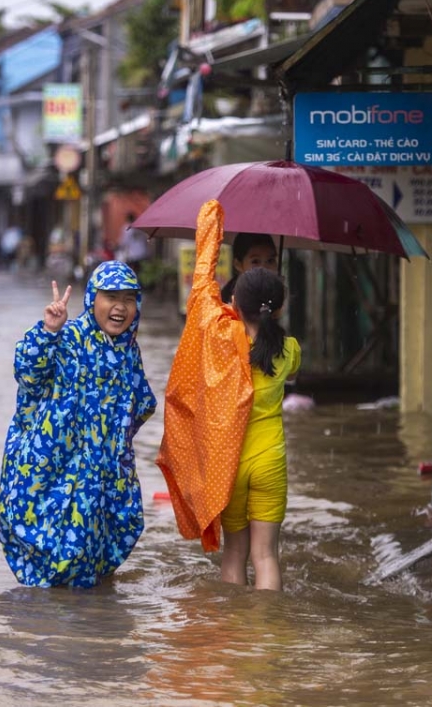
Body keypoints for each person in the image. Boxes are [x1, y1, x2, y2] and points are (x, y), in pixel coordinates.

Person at [158, 200, 300, 591]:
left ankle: (236, 634)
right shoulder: (290, 349)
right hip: (271, 459)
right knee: (267, 556)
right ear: (279, 306)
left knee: (235, 554)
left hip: (229, 464)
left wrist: (210, 223)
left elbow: (202, 287)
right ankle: (266, 631)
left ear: (233, 302)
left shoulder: (221, 337)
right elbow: (276, 346)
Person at [0, 262, 157, 588]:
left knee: (109, 540)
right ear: (92, 298)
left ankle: (93, 626)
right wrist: (49, 330)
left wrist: (115, 447)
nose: (120, 307)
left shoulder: (129, 350)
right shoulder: (67, 337)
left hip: (106, 470)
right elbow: (28, 372)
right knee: (57, 552)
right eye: (110, 296)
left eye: (129, 299)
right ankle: (57, 626)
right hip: (57, 467)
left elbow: (141, 404)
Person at [219, 231, 277, 304]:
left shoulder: (275, 296)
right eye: (255, 261)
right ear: (238, 264)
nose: (264, 268)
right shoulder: (228, 305)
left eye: (270, 260)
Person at [118, 213, 150, 277]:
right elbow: (146, 240)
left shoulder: (126, 228)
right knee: (142, 273)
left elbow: (123, 243)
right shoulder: (140, 227)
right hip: (143, 254)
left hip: (133, 256)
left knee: (132, 274)